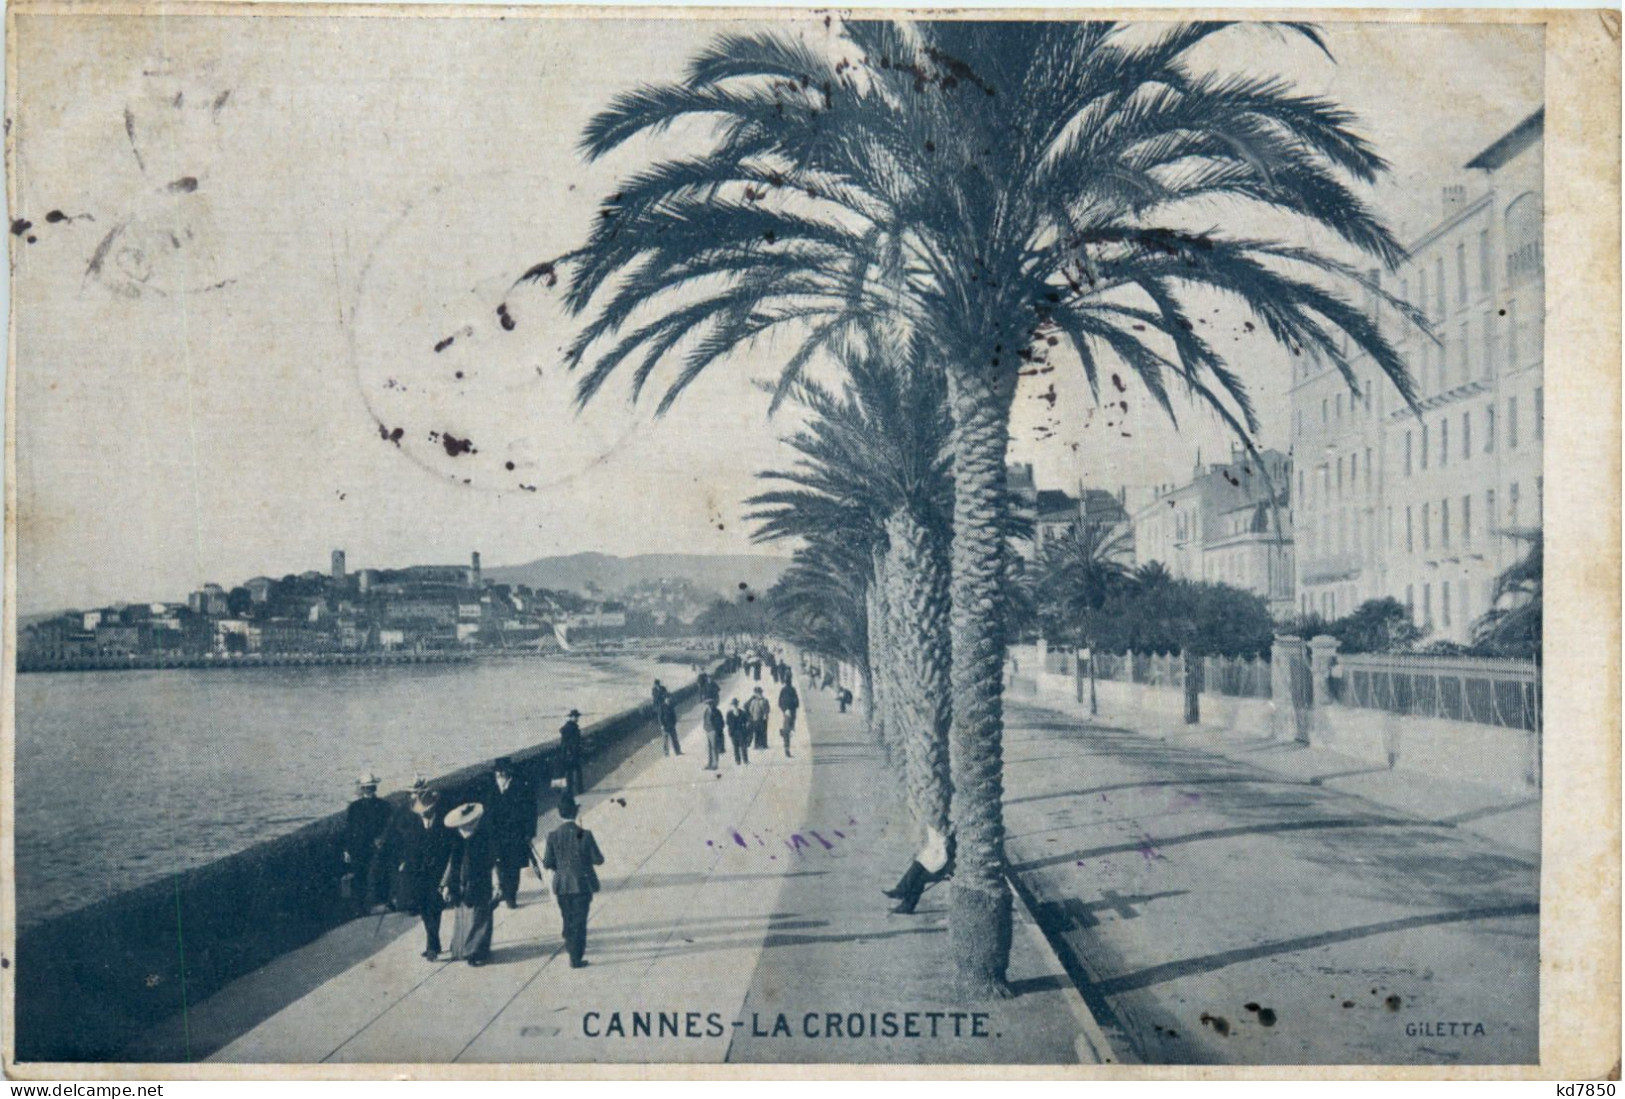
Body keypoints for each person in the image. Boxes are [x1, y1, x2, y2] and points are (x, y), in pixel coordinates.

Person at [541, 794, 604, 968]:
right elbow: (599, 859)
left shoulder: (552, 836)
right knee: (580, 921)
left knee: (567, 917)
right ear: (576, 813)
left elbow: (547, 862)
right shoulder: (585, 834)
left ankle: (570, 945)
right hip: (582, 884)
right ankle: (576, 957)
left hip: (562, 885)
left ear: (559, 814)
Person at [395, 788, 452, 960]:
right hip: (418, 874)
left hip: (438, 873)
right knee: (424, 908)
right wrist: (404, 862)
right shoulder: (415, 825)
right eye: (422, 812)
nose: (424, 815)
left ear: (433, 809)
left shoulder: (444, 825)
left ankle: (432, 946)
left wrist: (447, 879)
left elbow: (449, 851)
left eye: (427, 811)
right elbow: (408, 847)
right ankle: (433, 943)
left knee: (435, 907)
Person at [441, 802, 497, 965]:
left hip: (481, 883)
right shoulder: (457, 842)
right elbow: (452, 865)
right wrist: (446, 885)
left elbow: (493, 863)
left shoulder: (484, 839)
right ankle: (463, 949)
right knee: (465, 918)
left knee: (480, 918)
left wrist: (497, 883)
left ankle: (476, 952)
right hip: (461, 885)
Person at [487, 758, 538, 909]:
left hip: (516, 835)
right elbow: (487, 813)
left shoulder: (521, 787)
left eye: (503, 771)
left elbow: (531, 812)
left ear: (509, 771)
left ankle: (511, 896)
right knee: (499, 864)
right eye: (498, 772)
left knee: (514, 868)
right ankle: (503, 890)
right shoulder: (491, 789)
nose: (500, 774)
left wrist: (529, 832)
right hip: (497, 836)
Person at [343, 772, 392, 914]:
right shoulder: (354, 807)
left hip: (377, 846)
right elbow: (349, 829)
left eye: (371, 787)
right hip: (358, 847)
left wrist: (382, 839)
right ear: (362, 789)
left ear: (375, 788)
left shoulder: (384, 806)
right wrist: (347, 849)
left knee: (381, 873)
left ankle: (382, 903)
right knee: (359, 876)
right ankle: (360, 907)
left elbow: (389, 826)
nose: (368, 790)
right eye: (366, 787)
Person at [884, 826, 955, 915]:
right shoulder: (945, 833)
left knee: (919, 877)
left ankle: (904, 898)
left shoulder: (950, 836)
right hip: (942, 865)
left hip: (946, 870)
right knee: (917, 865)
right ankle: (903, 896)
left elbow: (946, 857)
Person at [558, 708, 585, 795]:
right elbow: (568, 742)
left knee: (572, 772)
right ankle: (576, 789)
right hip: (571, 753)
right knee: (572, 772)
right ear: (571, 717)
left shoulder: (570, 727)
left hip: (571, 753)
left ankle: (574, 790)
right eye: (575, 717)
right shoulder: (570, 727)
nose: (577, 718)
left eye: (577, 717)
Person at [745, 686, 772, 751]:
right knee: (757, 731)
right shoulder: (754, 701)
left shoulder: (764, 700)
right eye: (757, 693)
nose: (758, 694)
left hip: (762, 718)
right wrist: (753, 715)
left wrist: (765, 714)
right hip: (757, 718)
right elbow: (750, 709)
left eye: (759, 693)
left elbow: (767, 709)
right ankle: (758, 744)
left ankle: (763, 744)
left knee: (762, 731)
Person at [777, 681, 800, 757]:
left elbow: (779, 702)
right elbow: (797, 701)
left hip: (787, 712)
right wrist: (793, 708)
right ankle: (787, 748)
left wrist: (784, 709)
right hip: (792, 712)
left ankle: (786, 746)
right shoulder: (793, 690)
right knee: (789, 730)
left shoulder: (783, 690)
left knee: (787, 729)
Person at [725, 699, 751, 766]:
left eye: (736, 704)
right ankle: (737, 760)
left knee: (743, 746)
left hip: (741, 732)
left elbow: (746, 721)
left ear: (737, 704)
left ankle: (745, 760)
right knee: (735, 747)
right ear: (732, 705)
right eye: (733, 704)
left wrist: (746, 725)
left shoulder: (742, 712)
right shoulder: (729, 713)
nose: (735, 706)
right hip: (733, 732)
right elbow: (727, 722)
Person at [701, 699, 725, 770]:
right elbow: (705, 720)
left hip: (714, 731)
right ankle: (710, 763)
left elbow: (721, 722)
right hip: (708, 730)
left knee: (714, 748)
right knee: (709, 748)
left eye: (710, 704)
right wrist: (705, 727)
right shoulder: (706, 711)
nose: (709, 705)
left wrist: (717, 730)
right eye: (708, 704)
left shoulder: (717, 712)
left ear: (713, 704)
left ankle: (715, 764)